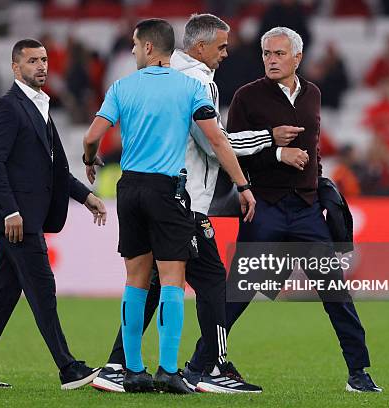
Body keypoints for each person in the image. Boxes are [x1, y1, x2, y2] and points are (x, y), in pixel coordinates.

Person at [92, 14, 270, 394]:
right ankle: (206, 367)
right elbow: (216, 142)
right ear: (199, 46)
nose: (225, 54)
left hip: (140, 189)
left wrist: (90, 155)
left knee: (149, 282)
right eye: (221, 46)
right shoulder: (194, 82)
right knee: (207, 281)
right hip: (181, 199)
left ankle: (118, 365)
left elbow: (95, 135)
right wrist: (268, 144)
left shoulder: (140, 82)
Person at [223, 27, 382, 393]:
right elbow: (231, 150)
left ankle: (359, 372)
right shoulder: (246, 97)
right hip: (265, 207)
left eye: (279, 53)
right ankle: (202, 364)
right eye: (266, 53)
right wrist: (278, 153)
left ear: (298, 57)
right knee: (240, 293)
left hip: (307, 209)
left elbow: (313, 147)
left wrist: (318, 183)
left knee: (335, 293)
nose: (271, 60)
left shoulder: (313, 93)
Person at [0, 39, 107, 390]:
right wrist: (11, 212)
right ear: (15, 67)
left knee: (4, 295)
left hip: (26, 219)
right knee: (42, 290)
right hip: (16, 221)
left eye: (44, 60)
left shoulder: (40, 106)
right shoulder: (7, 107)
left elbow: (54, 170)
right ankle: (69, 368)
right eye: (32, 61)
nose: (41, 66)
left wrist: (86, 197)